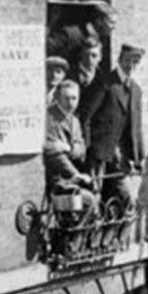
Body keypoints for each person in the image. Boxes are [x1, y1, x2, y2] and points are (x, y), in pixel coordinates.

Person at [87, 44, 145, 205]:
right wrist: (88, 147)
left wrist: (139, 157)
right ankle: (95, 230)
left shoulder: (136, 90)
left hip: (122, 157)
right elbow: (87, 117)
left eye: (135, 62)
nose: (130, 66)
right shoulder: (105, 83)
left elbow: (137, 128)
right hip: (100, 154)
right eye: (127, 60)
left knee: (126, 202)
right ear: (119, 60)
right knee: (95, 200)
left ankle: (114, 231)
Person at [43, 80, 97, 211]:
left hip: (71, 178)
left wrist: (69, 148)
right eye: (66, 98)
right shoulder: (48, 117)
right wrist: (75, 174)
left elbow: (81, 149)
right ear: (58, 98)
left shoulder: (75, 121)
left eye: (74, 98)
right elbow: (52, 154)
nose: (71, 103)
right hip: (56, 179)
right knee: (89, 202)